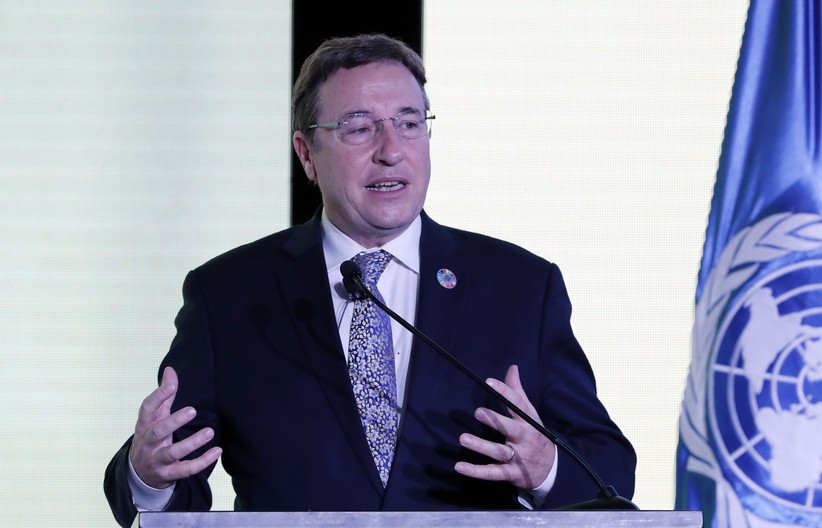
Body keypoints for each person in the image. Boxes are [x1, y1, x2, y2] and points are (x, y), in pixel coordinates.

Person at [104, 33, 636, 527]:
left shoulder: (519, 286)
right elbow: (174, 478)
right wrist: (147, 477)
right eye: (359, 127)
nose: (392, 148)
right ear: (306, 154)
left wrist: (544, 469)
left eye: (409, 122)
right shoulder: (229, 295)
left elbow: (610, 466)